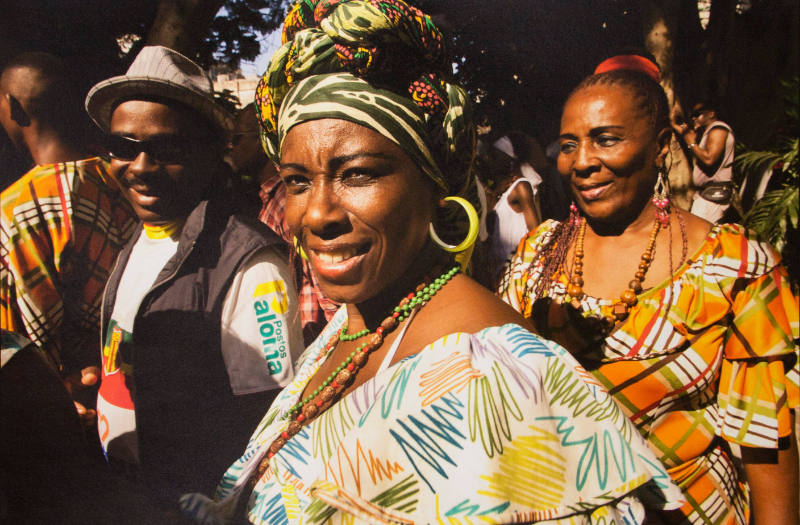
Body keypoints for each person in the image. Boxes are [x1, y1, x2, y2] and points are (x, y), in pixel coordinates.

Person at [181, 2, 684, 523]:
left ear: (434, 185)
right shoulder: (355, 325)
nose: (317, 214)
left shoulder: (493, 380)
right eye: (297, 181)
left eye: (357, 173)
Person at [499, 68, 799, 524]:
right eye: (568, 145)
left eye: (605, 139)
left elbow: (766, 444)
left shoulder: (734, 269)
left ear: (660, 146)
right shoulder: (537, 257)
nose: (581, 162)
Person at [83, 45, 303, 503]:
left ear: (209, 153)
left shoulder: (252, 266)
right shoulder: (140, 238)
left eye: (167, 148)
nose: (140, 167)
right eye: (124, 147)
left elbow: (266, 423)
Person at [0, 52, 136, 416]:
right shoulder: (126, 184)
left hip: (46, 411)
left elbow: (22, 338)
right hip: (123, 391)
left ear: (13, 106)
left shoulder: (18, 207)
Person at [476, 134, 541, 285]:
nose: (492, 161)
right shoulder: (497, 191)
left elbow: (536, 231)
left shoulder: (520, 187)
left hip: (520, 269)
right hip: (500, 273)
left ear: (509, 160)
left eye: (496, 157)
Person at [673, 102, 735, 223]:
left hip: (713, 196)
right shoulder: (708, 131)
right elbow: (687, 135)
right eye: (692, 116)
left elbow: (709, 159)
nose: (694, 118)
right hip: (706, 194)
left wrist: (691, 143)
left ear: (711, 114)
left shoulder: (718, 129)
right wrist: (673, 124)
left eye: (698, 114)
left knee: (700, 237)